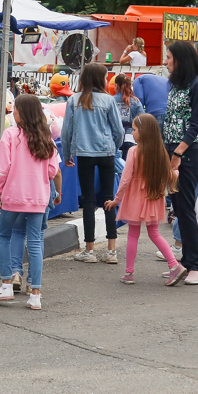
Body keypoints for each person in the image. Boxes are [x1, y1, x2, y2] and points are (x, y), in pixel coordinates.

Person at [0, 95, 62, 310]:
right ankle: (35, 294)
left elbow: (1, 169)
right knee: (35, 242)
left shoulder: (10, 134)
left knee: (4, 236)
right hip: (39, 197)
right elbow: (52, 170)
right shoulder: (45, 137)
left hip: (13, 196)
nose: (13, 112)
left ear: (22, 112)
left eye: (16, 109)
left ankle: (7, 284)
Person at [105, 114, 185, 285]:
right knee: (154, 233)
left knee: (133, 234)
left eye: (134, 129)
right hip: (154, 196)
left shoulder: (134, 151)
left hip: (135, 197)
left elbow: (125, 179)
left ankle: (129, 273)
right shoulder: (160, 151)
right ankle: (174, 265)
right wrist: (177, 172)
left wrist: (116, 200)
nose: (132, 133)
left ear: (143, 131)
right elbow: (170, 175)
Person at [161, 41, 198, 285]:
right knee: (179, 209)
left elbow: (197, 122)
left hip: (187, 152)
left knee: (186, 209)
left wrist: (178, 152)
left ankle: (197, 267)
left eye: (169, 57)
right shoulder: (177, 84)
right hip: (173, 150)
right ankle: (186, 261)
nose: (166, 62)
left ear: (180, 59)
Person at [62, 63, 124, 264]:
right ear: (100, 79)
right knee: (108, 199)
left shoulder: (74, 100)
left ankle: (89, 250)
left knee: (88, 201)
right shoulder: (108, 100)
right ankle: (111, 250)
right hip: (106, 152)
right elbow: (118, 130)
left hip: (84, 153)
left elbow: (66, 131)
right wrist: (115, 146)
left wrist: (67, 154)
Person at [112, 74, 144, 158]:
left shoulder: (111, 100)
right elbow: (143, 119)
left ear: (116, 86)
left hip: (114, 137)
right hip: (131, 137)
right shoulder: (136, 101)